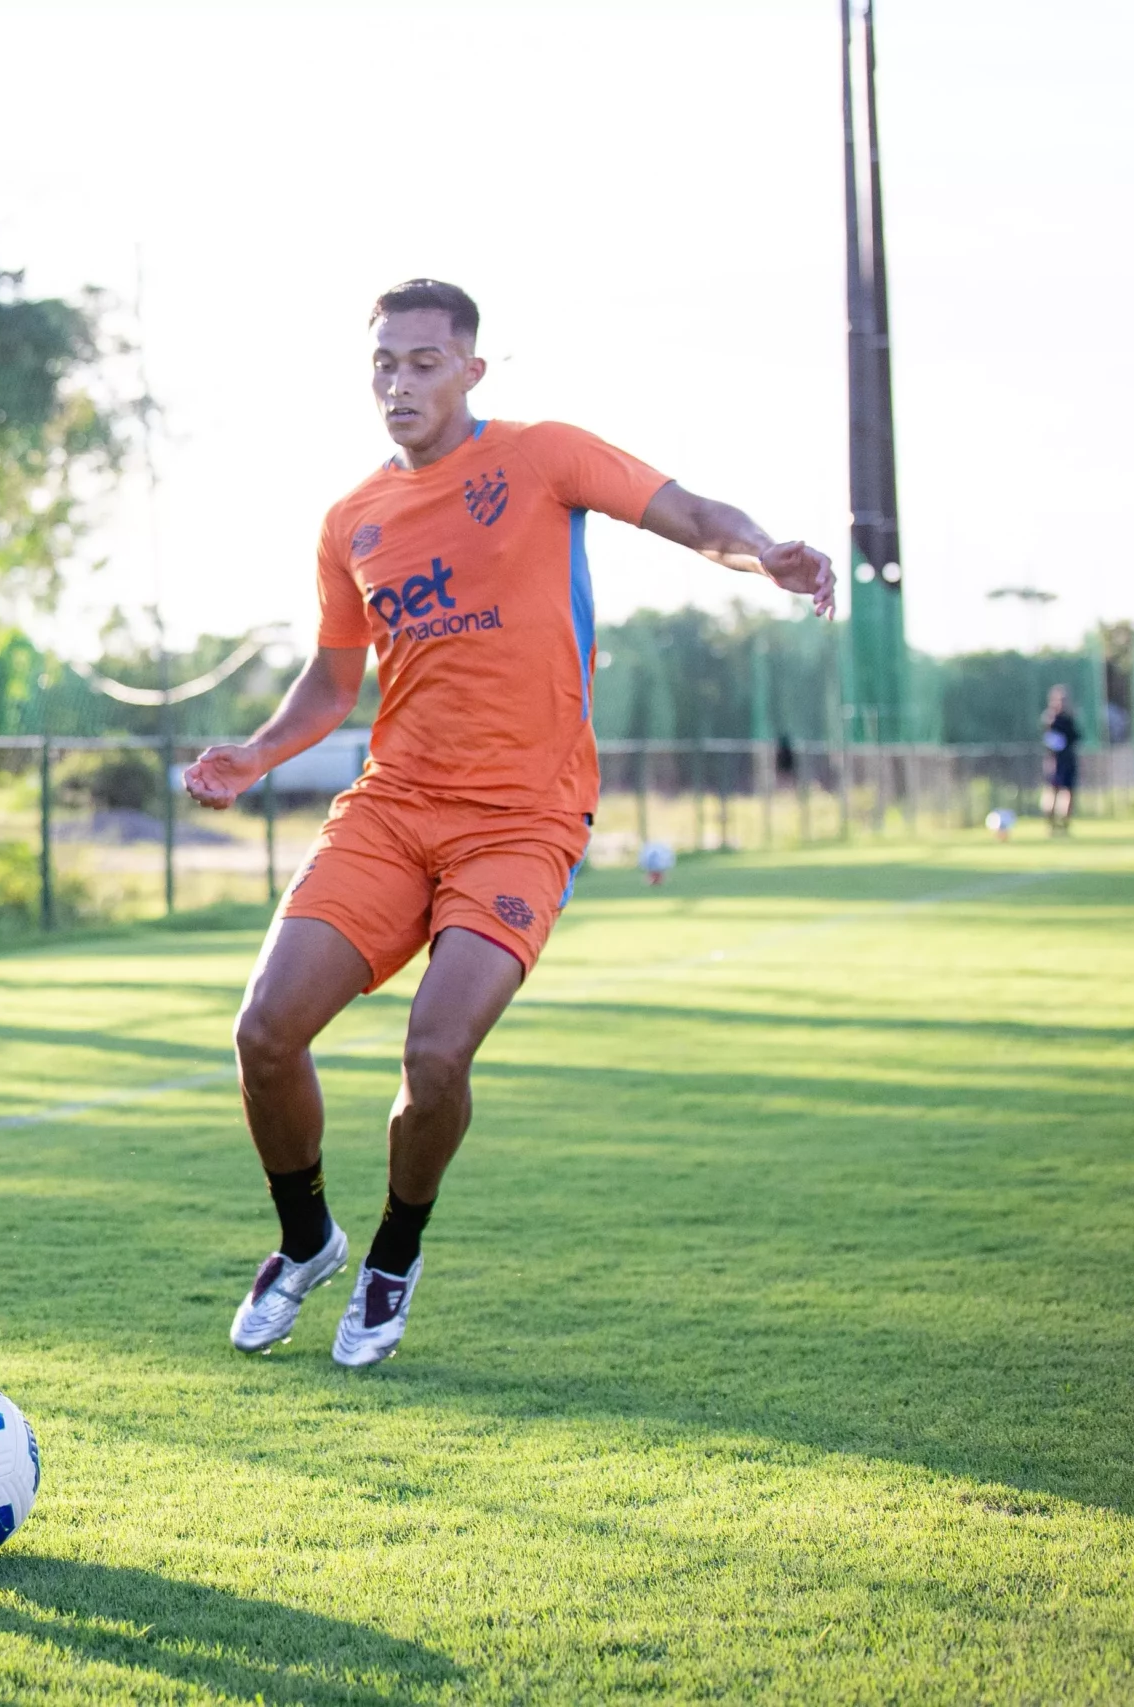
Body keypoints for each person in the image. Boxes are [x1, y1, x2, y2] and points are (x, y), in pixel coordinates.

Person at [184, 279, 835, 1368]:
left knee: (434, 1053)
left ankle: (391, 1256)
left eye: (424, 361)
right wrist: (255, 754)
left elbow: (691, 516)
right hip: (391, 812)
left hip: (522, 820)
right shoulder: (350, 519)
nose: (399, 382)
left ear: (471, 370)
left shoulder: (543, 456)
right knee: (263, 1032)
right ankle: (306, 1243)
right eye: (384, 362)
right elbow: (333, 681)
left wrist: (762, 553)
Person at [1040, 684, 1081, 833]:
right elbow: (1051, 743)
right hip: (1055, 761)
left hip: (1068, 760)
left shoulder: (1069, 718)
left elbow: (1075, 737)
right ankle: (1050, 824)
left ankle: (1064, 824)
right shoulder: (1051, 719)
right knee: (1052, 791)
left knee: (1068, 792)